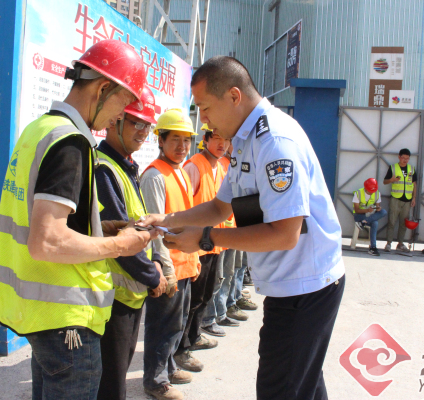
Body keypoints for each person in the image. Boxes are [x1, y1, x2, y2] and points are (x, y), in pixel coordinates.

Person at [139, 56, 346, 400]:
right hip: (289, 284)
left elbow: (285, 234)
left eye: (205, 108)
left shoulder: (274, 142)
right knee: (301, 384)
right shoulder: (246, 140)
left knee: (281, 389)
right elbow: (220, 207)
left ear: (234, 96)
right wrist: (168, 220)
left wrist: (205, 239)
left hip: (305, 288)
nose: (204, 120)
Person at [0, 40, 160, 400]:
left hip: (43, 314)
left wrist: (103, 228)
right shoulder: (70, 142)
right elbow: (47, 240)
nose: (119, 117)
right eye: (123, 104)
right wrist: (119, 245)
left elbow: (46, 221)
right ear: (103, 89)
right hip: (67, 319)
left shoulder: (40, 129)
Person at [96, 88, 170, 400]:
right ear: (115, 120)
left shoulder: (125, 166)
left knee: (117, 377)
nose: (143, 132)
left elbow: (136, 227)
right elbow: (119, 242)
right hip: (112, 298)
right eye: (137, 123)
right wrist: (153, 275)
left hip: (129, 293)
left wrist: (154, 263)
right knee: (110, 385)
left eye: (147, 126)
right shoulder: (104, 169)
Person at [140, 109, 201, 400]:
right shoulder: (154, 176)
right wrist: (166, 270)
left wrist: (194, 259)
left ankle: (169, 367)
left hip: (185, 262)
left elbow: (188, 220)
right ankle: (155, 381)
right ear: (160, 140)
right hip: (169, 267)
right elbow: (156, 231)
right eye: (175, 139)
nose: (182, 146)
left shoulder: (181, 172)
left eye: (186, 140)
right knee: (161, 326)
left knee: (177, 323)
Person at [175, 124, 229, 353]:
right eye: (216, 138)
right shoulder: (194, 167)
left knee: (206, 294)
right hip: (196, 244)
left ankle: (194, 336)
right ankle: (181, 348)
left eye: (225, 139)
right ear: (205, 140)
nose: (221, 144)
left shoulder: (221, 167)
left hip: (214, 243)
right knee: (193, 298)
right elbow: (185, 207)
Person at [383, 148, 417, 252]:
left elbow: (414, 184)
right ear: (399, 157)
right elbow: (385, 182)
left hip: (407, 200)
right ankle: (389, 243)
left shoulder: (411, 169)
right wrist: (391, 180)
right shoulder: (393, 167)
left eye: (407, 158)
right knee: (391, 221)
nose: (405, 160)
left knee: (403, 223)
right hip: (395, 199)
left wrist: (414, 198)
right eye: (403, 158)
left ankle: (400, 243)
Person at [353, 178, 388, 256]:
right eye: (370, 191)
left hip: (370, 215)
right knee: (375, 223)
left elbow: (378, 207)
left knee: (383, 212)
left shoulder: (377, 193)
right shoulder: (358, 193)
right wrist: (367, 210)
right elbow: (356, 210)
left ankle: (373, 248)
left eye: (373, 191)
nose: (372, 193)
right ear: (365, 188)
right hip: (359, 216)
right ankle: (373, 247)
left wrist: (378, 208)